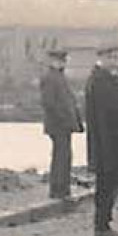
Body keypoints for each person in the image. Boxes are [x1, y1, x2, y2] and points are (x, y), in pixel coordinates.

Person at [84, 45, 118, 236]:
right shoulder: (101, 81)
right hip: (107, 141)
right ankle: (102, 225)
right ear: (101, 58)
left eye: (115, 57)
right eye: (110, 57)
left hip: (106, 140)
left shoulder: (101, 79)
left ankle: (104, 223)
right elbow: (107, 111)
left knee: (108, 183)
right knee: (106, 183)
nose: (114, 60)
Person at [39, 48, 82, 200]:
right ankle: (58, 189)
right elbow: (49, 103)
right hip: (58, 124)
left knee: (64, 155)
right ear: (52, 61)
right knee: (61, 156)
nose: (61, 63)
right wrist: (64, 119)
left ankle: (62, 188)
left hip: (63, 124)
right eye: (59, 60)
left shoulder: (59, 77)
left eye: (63, 61)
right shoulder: (50, 78)